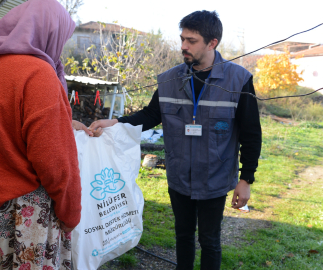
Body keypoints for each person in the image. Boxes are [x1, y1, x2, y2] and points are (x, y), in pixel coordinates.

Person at [89, 10, 262, 270]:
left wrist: (246, 178)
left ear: (212, 42)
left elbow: (251, 133)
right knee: (182, 237)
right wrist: (115, 123)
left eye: (191, 41)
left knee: (210, 240)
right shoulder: (170, 80)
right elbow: (150, 115)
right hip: (179, 176)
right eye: (182, 38)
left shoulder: (238, 80)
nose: (183, 46)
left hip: (214, 178)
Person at [0, 1, 91, 269]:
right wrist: (70, 213)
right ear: (49, 32)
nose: (60, 49)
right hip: (21, 217)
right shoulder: (38, 73)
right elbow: (55, 162)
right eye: (62, 39)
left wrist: (64, 123)